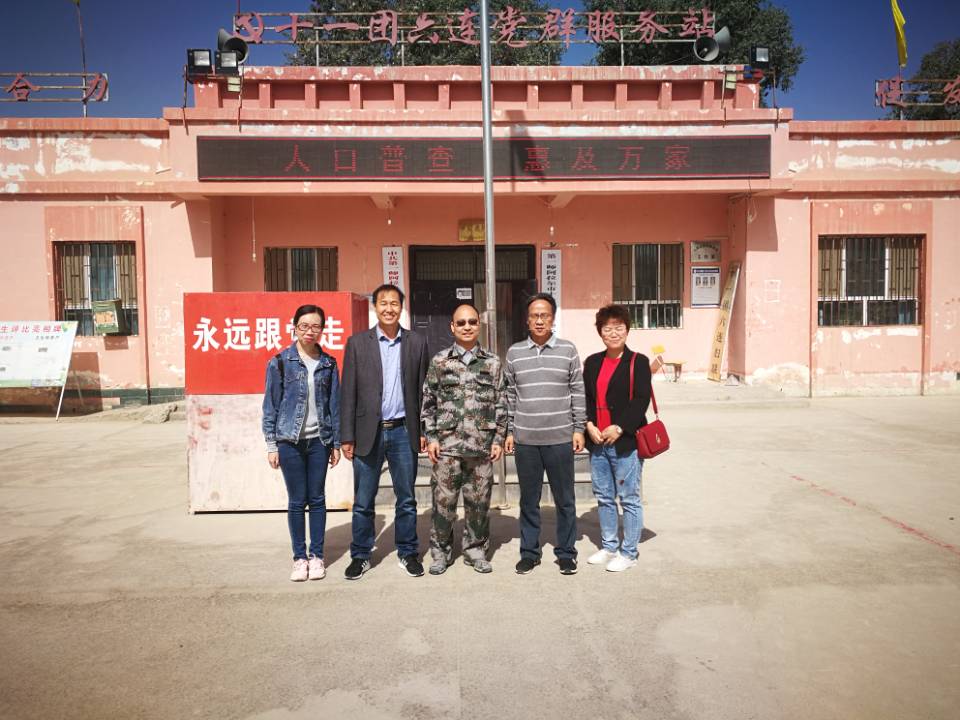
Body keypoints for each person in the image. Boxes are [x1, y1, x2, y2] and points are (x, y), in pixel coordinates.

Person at [340, 283, 430, 580]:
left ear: (401, 308)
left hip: (404, 431)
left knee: (406, 499)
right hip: (368, 432)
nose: (389, 308)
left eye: (394, 303)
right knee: (363, 500)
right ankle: (361, 555)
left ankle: (408, 552)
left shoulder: (417, 342)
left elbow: (424, 390)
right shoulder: (357, 343)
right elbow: (348, 391)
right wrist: (347, 435)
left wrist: (424, 430)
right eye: (383, 303)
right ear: (374, 307)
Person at [504, 293, 586, 575]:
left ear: (553, 319)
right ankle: (529, 552)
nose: (539, 320)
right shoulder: (514, 353)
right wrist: (509, 430)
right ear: (527, 320)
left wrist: (579, 428)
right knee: (529, 501)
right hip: (526, 440)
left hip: (560, 438)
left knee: (565, 501)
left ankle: (566, 553)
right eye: (534, 316)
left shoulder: (568, 350)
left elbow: (577, 390)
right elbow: (510, 395)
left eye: (545, 315)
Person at [421, 304, 507, 575]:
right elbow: (428, 402)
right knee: (443, 503)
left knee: (478, 503)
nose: (467, 326)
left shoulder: (492, 362)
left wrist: (498, 438)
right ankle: (440, 552)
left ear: (479, 325)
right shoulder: (440, 361)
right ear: (452, 327)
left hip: (481, 447)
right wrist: (431, 437)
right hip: (447, 447)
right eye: (461, 322)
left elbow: (501, 402)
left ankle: (475, 550)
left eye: (472, 322)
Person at [262, 304, 341, 582]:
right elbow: (270, 406)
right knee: (297, 501)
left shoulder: (329, 364)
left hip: (319, 441)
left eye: (316, 326)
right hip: (289, 441)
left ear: (322, 329)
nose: (310, 331)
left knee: (317, 499)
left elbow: (334, 406)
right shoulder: (280, 362)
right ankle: (299, 558)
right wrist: (271, 445)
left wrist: (336, 443)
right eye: (304, 325)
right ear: (294, 327)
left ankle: (317, 555)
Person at [582, 304, 651, 572]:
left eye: (618, 327)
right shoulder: (593, 362)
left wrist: (620, 427)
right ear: (600, 332)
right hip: (598, 440)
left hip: (624, 442)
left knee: (629, 497)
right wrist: (589, 425)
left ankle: (629, 552)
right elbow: (587, 398)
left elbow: (641, 400)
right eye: (607, 328)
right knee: (604, 497)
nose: (613, 333)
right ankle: (609, 546)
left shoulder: (638, 362)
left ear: (627, 330)